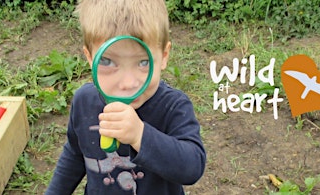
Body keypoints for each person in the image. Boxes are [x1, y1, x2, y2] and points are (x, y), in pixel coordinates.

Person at [45, 0, 206, 194]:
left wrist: (140, 135)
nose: (128, 83)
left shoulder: (173, 106)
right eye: (108, 61)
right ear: (90, 58)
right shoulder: (83, 101)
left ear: (164, 56)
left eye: (143, 62)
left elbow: (192, 167)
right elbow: (74, 154)